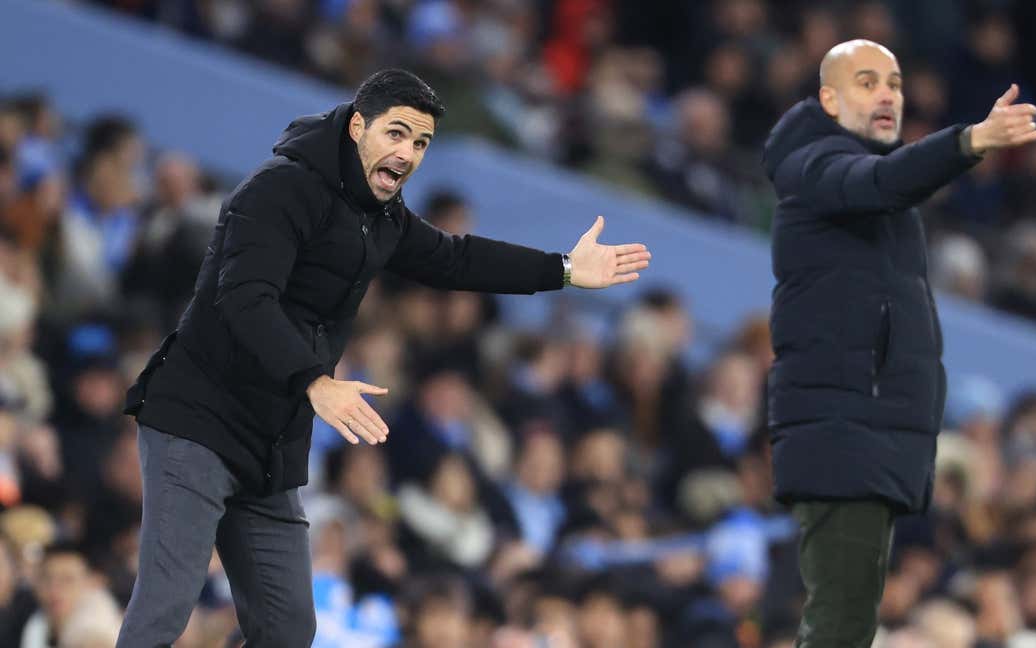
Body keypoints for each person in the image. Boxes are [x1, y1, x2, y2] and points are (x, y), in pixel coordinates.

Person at [116, 68, 651, 647]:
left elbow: (457, 259)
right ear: (356, 126)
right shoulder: (280, 188)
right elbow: (244, 297)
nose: (408, 153)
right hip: (197, 421)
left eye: (420, 143)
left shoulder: (383, 217)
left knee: (287, 630)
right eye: (396, 134)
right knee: (164, 610)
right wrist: (314, 382)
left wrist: (564, 270)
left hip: (268, 443)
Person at [760, 40, 1036, 647]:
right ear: (829, 100)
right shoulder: (817, 169)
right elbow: (881, 180)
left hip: (868, 432)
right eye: (867, 82)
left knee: (850, 620)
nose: (888, 93)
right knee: (841, 623)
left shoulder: (880, 195)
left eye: (894, 81)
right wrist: (967, 142)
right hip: (843, 431)